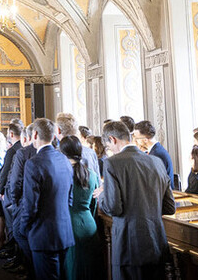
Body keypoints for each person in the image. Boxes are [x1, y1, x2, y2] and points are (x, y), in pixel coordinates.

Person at [96, 120, 175, 280]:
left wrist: (102, 195)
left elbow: (113, 207)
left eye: (108, 146)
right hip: (156, 244)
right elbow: (169, 207)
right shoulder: (156, 161)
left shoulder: (112, 163)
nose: (109, 150)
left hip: (128, 246)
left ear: (112, 139)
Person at [18, 118, 74, 280]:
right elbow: (70, 198)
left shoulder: (34, 163)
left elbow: (30, 205)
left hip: (43, 235)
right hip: (64, 232)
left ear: (34, 134)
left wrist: (24, 229)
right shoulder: (63, 159)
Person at [60, 135, 102, 280]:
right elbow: (94, 204)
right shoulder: (92, 174)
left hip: (68, 225)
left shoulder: (60, 174)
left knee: (72, 269)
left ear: (62, 152)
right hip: (89, 224)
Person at [2, 123, 36, 274]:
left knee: (18, 232)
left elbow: (15, 180)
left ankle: (27, 267)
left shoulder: (22, 153)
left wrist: (14, 200)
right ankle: (22, 262)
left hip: (21, 201)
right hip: (30, 201)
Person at [0, 120, 23, 254]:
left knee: (11, 225)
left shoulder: (12, 151)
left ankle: (12, 252)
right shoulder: (24, 148)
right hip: (20, 192)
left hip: (9, 192)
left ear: (11, 134)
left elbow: (6, 172)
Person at [134, 120, 174, 189]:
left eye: (136, 138)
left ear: (145, 140)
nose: (135, 141)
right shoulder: (153, 150)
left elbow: (154, 181)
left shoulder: (157, 154)